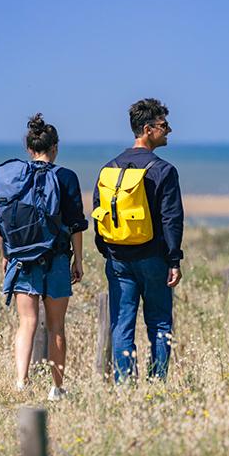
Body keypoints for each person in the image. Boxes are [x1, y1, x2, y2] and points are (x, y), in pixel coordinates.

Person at [0, 114, 87, 400]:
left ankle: (21, 382)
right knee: (56, 326)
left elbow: (2, 222)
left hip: (23, 259)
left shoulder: (14, 179)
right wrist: (78, 260)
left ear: (29, 148)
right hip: (57, 258)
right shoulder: (66, 177)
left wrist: (6, 255)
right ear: (55, 147)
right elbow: (75, 224)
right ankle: (57, 388)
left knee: (27, 322)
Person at [92, 98, 184, 382]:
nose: (169, 130)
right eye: (163, 125)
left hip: (118, 257)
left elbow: (98, 212)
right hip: (154, 257)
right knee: (159, 322)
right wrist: (174, 260)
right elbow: (172, 219)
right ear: (147, 129)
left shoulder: (109, 168)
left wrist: (108, 251)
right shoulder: (163, 170)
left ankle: (124, 386)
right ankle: (156, 383)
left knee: (122, 324)